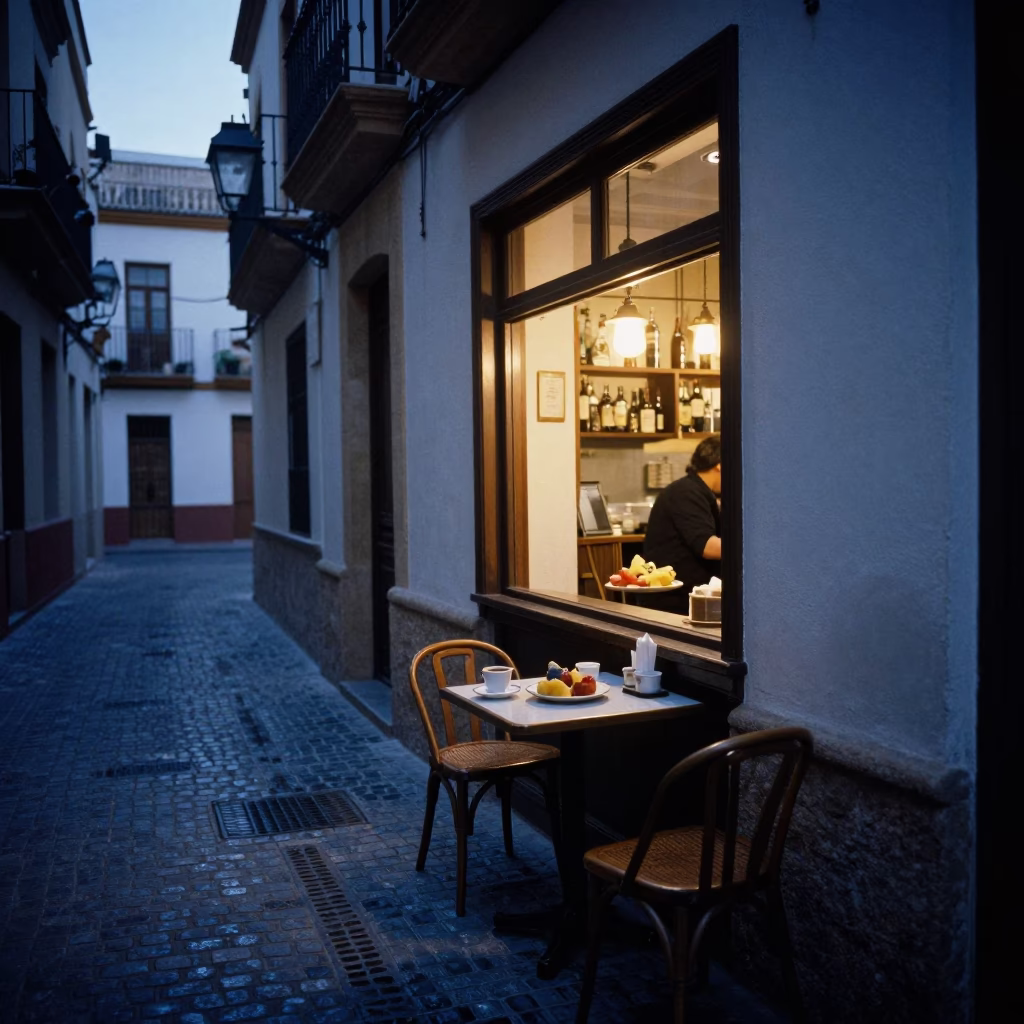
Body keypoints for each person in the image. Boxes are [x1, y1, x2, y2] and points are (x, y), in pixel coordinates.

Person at [643, 435, 721, 606]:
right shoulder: (686, 492)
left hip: (687, 595)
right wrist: (753, 551)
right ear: (720, 466)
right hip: (673, 601)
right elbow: (707, 547)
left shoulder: (698, 491)